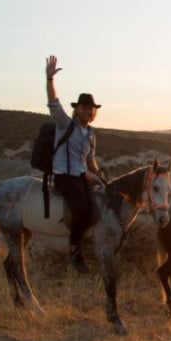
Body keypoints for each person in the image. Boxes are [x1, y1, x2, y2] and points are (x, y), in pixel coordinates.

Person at [45, 55, 105, 273]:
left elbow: (90, 161)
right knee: (82, 209)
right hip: (64, 176)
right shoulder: (65, 124)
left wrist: (100, 174)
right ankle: (74, 253)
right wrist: (50, 79)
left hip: (81, 176)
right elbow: (53, 103)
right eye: (84, 107)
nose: (88, 111)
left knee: (100, 204)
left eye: (91, 108)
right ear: (77, 108)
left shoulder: (90, 134)